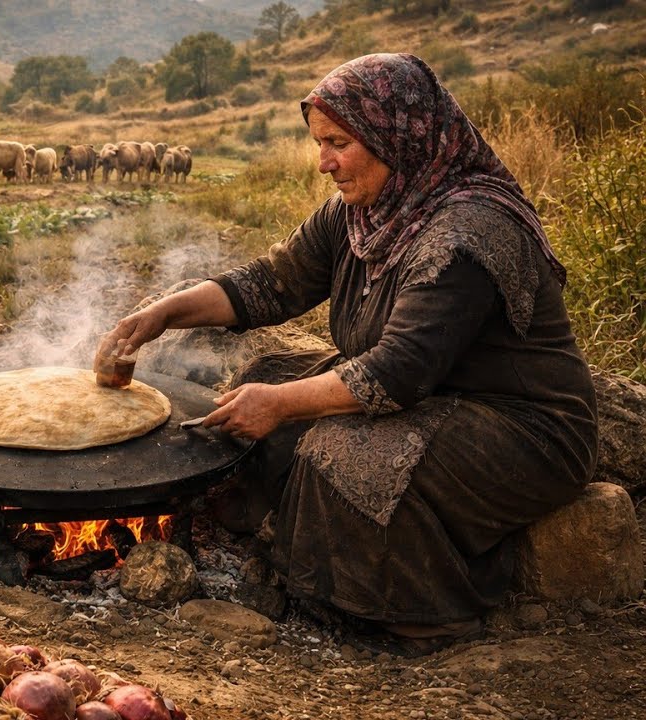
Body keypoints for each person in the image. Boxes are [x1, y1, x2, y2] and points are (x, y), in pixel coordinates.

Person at [97, 53, 598, 654]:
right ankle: (295, 552)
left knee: (338, 450)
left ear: (398, 137)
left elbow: (397, 372)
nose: (324, 163)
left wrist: (283, 404)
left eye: (339, 142)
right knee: (264, 380)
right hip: (435, 398)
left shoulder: (466, 233)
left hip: (521, 427)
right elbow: (271, 283)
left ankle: (425, 617)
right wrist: (161, 315)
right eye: (319, 142)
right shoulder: (363, 212)